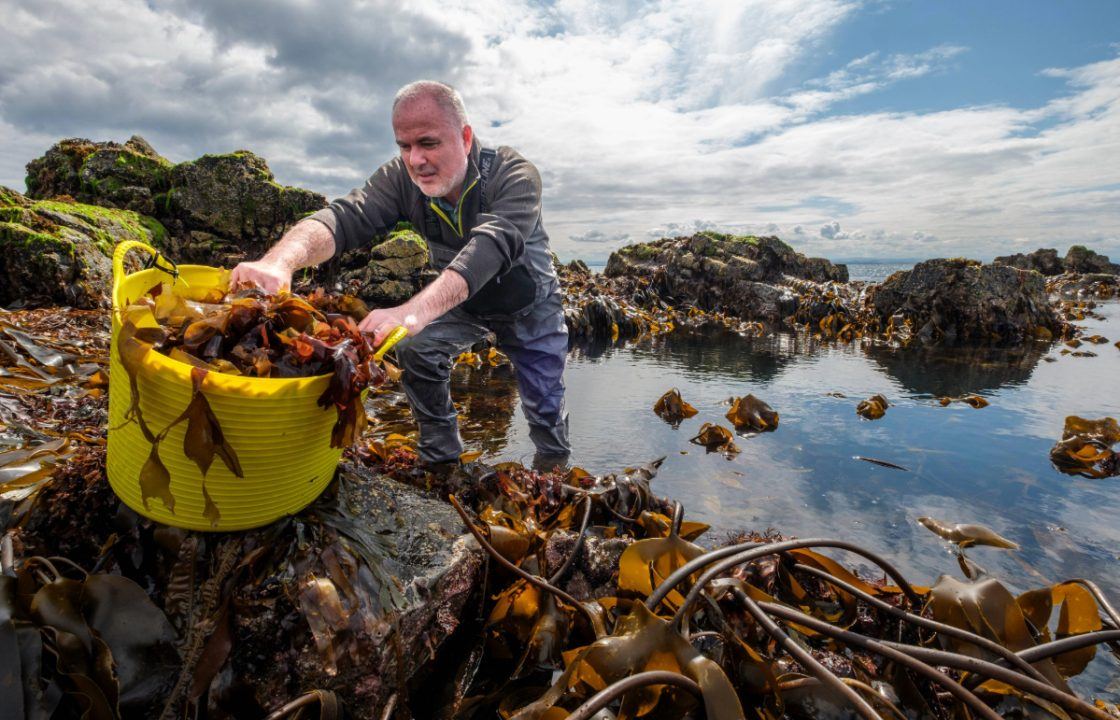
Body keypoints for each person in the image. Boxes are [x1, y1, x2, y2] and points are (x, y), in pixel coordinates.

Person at [230, 80, 570, 468]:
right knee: (414, 349)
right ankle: (441, 461)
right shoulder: (400, 179)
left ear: (465, 136)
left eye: (428, 143)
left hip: (532, 307)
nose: (415, 160)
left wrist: (414, 312)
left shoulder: (515, 174)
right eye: (404, 146)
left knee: (545, 405)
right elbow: (345, 218)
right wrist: (281, 261)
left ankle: (554, 471)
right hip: (464, 305)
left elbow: (490, 248)